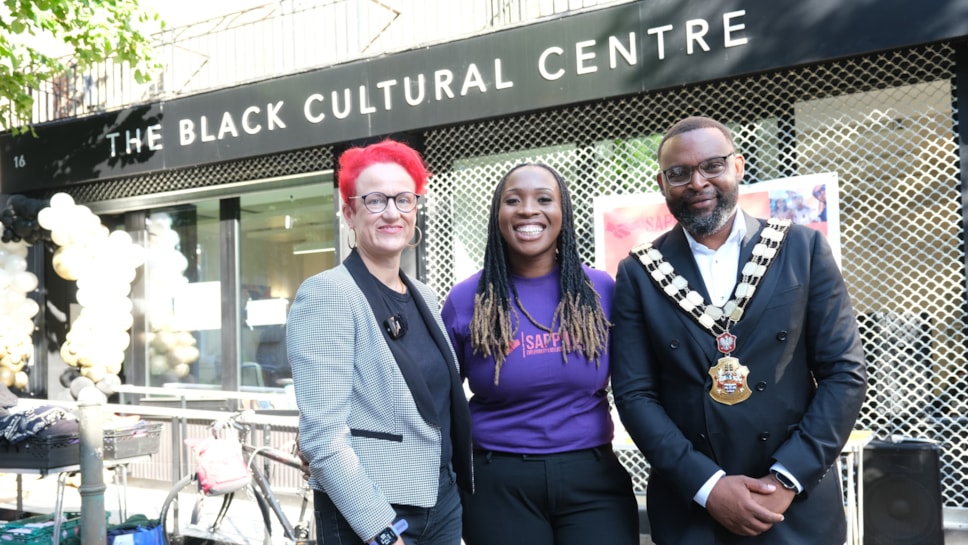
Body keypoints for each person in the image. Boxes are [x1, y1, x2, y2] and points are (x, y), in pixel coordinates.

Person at [609, 116, 868, 544]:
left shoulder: (801, 249)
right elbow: (635, 394)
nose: (697, 182)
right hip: (692, 509)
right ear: (662, 183)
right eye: (679, 173)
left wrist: (786, 480)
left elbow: (844, 373)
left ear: (738, 166)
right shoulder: (639, 273)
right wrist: (708, 487)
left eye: (712, 165)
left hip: (795, 506)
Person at [441, 163, 639, 545]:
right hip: (499, 481)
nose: (528, 210)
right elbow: (436, 396)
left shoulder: (600, 290)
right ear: (498, 216)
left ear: (563, 212)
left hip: (592, 477)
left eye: (544, 199)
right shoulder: (468, 299)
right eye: (513, 200)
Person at [288, 140, 472, 545]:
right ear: (349, 213)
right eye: (375, 200)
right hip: (371, 513)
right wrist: (381, 532)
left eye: (404, 199)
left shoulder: (422, 293)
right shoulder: (327, 294)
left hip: (440, 504)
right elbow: (322, 437)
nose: (392, 212)